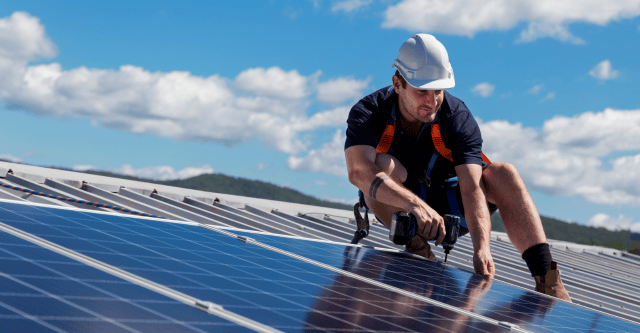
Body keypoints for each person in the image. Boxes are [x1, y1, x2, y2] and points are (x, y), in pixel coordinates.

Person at [344, 33, 571, 302]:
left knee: (503, 172)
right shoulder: (370, 112)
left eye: (438, 91)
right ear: (397, 84)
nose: (431, 101)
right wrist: (414, 206)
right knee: (379, 166)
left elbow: (472, 188)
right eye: (422, 91)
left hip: (453, 205)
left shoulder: (457, 118)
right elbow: (358, 171)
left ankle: (548, 279)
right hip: (402, 210)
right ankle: (417, 248)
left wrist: (482, 248)